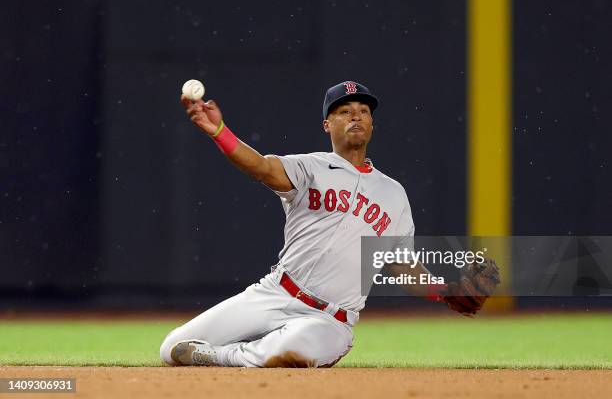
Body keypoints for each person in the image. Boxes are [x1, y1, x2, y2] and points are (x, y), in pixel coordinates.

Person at [159, 81, 490, 368]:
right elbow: (259, 167)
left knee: (292, 349)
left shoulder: (393, 194)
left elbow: (401, 265)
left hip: (331, 318)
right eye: (344, 111)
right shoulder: (309, 167)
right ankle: (245, 355)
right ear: (327, 125)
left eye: (363, 110)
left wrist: (445, 293)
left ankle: (220, 358)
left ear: (372, 124)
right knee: (171, 348)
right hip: (275, 293)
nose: (356, 115)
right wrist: (220, 131)